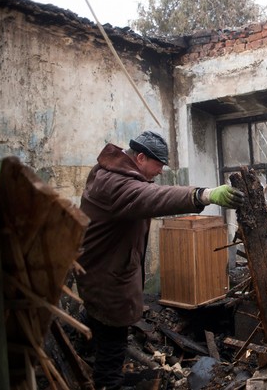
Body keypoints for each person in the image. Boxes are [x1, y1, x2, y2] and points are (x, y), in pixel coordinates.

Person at [75, 130, 244, 389]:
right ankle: (108, 383)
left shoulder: (115, 175)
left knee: (99, 320)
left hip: (104, 270)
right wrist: (204, 195)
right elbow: (154, 198)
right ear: (140, 157)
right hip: (106, 278)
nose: (160, 172)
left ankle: (82, 342)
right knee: (113, 346)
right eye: (158, 165)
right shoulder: (115, 184)